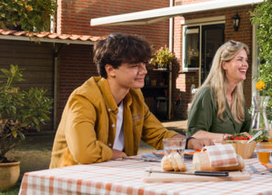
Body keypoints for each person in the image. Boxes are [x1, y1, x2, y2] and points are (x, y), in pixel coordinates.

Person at [50, 33, 205, 168]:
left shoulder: (134, 96)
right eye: (135, 66)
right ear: (110, 70)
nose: (144, 71)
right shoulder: (84, 98)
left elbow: (158, 134)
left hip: (113, 175)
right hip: (73, 180)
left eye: (144, 64)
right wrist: (119, 154)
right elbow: (84, 151)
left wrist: (190, 142)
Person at [187, 40, 252, 143]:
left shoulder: (238, 97)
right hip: (210, 156)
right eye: (240, 59)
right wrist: (229, 138)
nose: (245, 64)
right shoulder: (207, 94)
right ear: (224, 65)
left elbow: (248, 130)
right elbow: (195, 134)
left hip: (235, 156)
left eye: (246, 60)